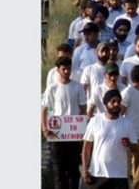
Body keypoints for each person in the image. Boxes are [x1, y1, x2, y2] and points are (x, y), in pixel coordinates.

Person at [41, 56, 87, 189]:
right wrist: (44, 128)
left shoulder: (77, 87)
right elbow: (44, 110)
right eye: (64, 69)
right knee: (59, 170)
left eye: (69, 68)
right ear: (58, 70)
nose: (67, 71)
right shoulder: (52, 88)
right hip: (57, 135)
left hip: (72, 135)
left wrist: (81, 127)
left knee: (73, 170)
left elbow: (83, 108)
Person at [82, 89, 138, 189]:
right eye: (113, 101)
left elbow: (135, 149)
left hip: (119, 175)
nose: (116, 104)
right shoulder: (95, 120)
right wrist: (85, 169)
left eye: (118, 101)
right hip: (97, 174)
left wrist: (129, 144)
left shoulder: (127, 123)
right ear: (106, 103)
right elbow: (87, 146)